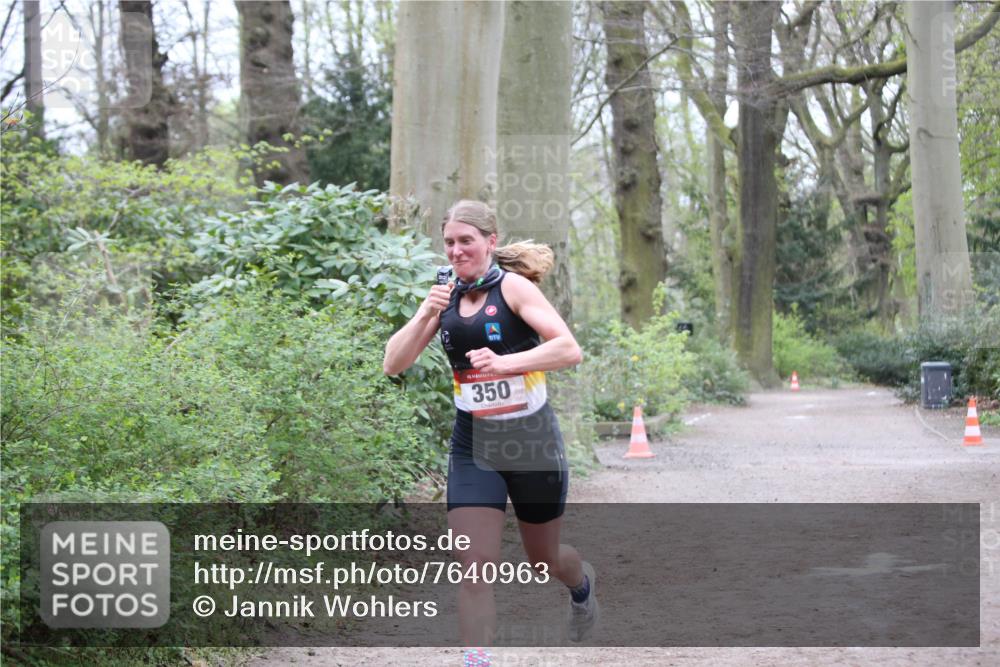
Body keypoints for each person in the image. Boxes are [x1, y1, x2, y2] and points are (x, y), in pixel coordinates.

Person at [383, 200, 598, 664]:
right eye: (449, 242)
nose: (456, 250)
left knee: (543, 561)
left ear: (490, 242)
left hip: (532, 442)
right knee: (474, 565)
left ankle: (581, 586)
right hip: (474, 446)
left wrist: (506, 363)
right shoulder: (442, 295)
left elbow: (568, 349)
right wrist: (423, 315)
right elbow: (392, 364)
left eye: (466, 241)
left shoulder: (514, 288)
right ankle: (476, 660)